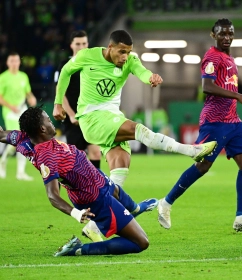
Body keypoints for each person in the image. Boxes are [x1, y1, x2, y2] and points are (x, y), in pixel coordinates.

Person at [53, 30, 216, 240]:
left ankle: (94, 225)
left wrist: (151, 78)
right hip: (91, 118)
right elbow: (66, 72)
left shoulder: (129, 60)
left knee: (121, 166)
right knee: (137, 130)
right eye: (121, 52)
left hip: (112, 116)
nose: (125, 57)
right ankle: (190, 150)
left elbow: (141, 71)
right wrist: (58, 103)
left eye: (128, 52)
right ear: (110, 48)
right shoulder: (87, 56)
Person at [157, 19, 242, 233]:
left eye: (230, 33)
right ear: (213, 35)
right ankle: (166, 202)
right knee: (203, 166)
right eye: (222, 34)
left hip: (233, 121)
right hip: (215, 121)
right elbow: (207, 86)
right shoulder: (212, 57)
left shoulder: (228, 57)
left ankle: (241, 218)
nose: (227, 37)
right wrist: (238, 96)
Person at [0, 106, 157, 256]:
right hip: (94, 197)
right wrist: (75, 213)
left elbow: (2, 135)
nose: (51, 121)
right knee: (141, 242)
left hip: (96, 178)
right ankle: (79, 249)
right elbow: (52, 195)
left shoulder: (22, 138)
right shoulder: (47, 157)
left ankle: (136, 208)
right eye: (47, 119)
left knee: (117, 191)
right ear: (42, 129)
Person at [54, 30, 102, 170]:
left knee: (96, 152)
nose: (81, 47)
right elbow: (60, 91)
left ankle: (96, 188)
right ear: (71, 45)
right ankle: (70, 185)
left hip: (91, 117)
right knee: (75, 157)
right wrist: (70, 114)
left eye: (84, 43)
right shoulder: (65, 65)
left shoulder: (94, 65)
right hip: (73, 119)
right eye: (78, 44)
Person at [0, 52, 37, 180]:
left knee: (24, 140)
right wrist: (11, 106)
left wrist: (32, 98)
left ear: (19, 62)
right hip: (10, 112)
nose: (14, 63)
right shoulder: (3, 77)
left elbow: (28, 92)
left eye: (16, 61)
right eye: (12, 61)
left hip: (22, 110)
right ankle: (2, 161)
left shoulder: (23, 76)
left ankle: (20, 172)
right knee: (15, 141)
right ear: (7, 62)